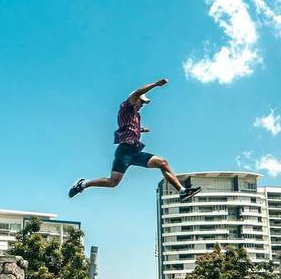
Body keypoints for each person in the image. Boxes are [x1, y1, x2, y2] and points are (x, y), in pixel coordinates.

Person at [68, 78, 201, 202]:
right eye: (142, 102)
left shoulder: (136, 115)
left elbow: (128, 127)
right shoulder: (126, 106)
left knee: (163, 163)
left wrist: (141, 130)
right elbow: (138, 92)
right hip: (124, 151)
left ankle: (182, 191)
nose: (143, 105)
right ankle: (84, 184)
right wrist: (155, 84)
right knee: (113, 182)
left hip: (135, 152)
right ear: (135, 99)